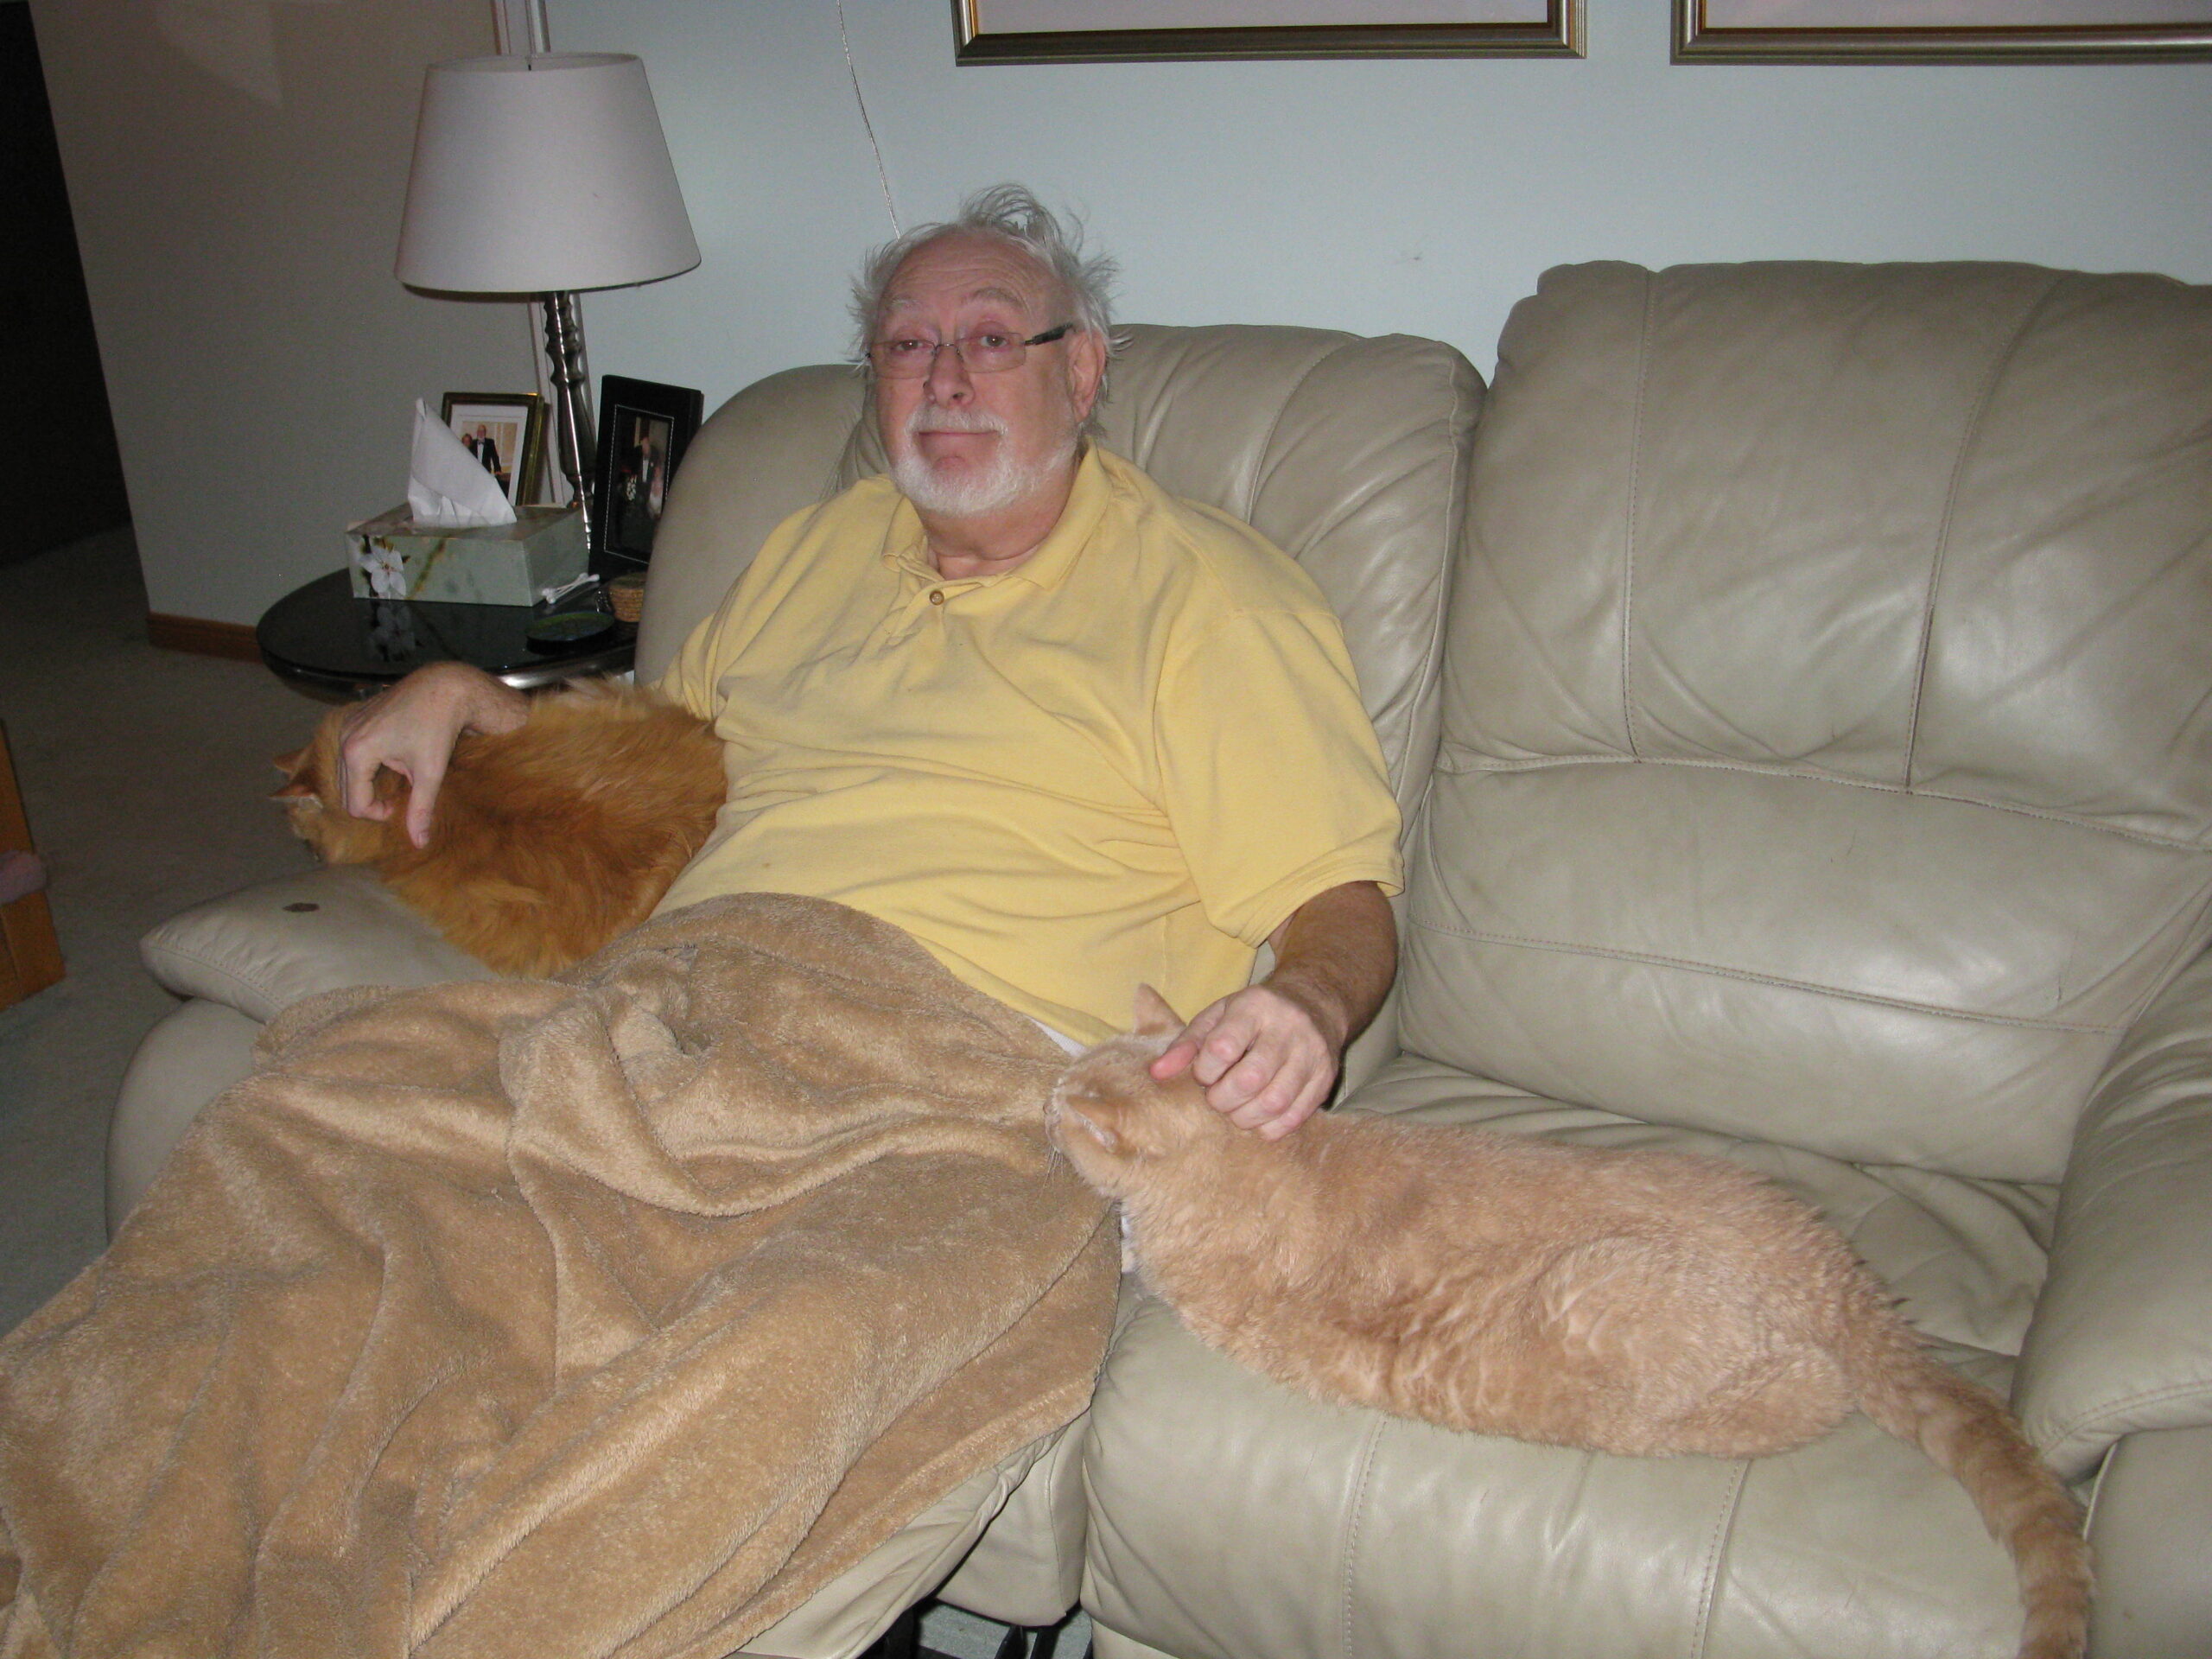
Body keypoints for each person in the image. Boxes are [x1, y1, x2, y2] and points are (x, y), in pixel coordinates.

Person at [337, 185, 1401, 1140]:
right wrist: (470, 697)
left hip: (960, 1065)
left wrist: (1306, 1004)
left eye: (992, 339)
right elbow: (648, 763)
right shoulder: (817, 544)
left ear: (1079, 372)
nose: (945, 379)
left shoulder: (1207, 599)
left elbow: (1337, 902)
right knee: (340, 1108)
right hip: (680, 1003)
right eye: (906, 345)